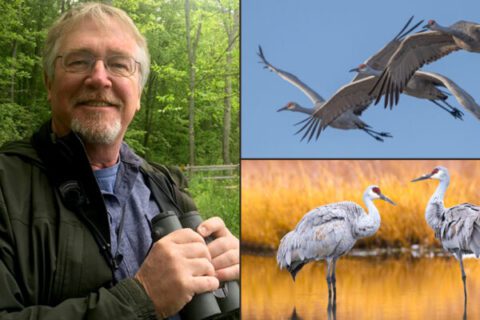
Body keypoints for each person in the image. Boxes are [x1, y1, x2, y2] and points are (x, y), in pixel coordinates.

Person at [0, 3, 239, 319]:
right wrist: (140, 299)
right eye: (78, 61)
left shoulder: (164, 186)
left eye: (119, 64)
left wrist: (241, 279)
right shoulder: (6, 185)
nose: (99, 78)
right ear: (48, 83)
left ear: (138, 93)